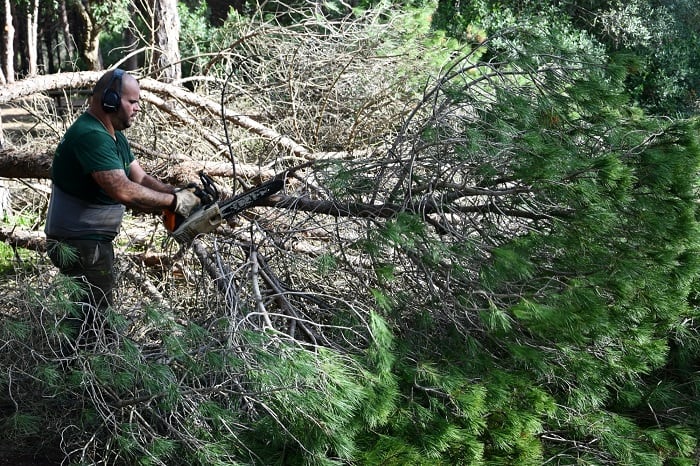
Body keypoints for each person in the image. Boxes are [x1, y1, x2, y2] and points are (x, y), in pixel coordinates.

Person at [44, 68, 200, 345]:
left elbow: (139, 177)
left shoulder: (113, 135)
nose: (138, 108)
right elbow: (123, 190)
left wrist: (176, 192)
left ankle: (77, 363)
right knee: (95, 315)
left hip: (88, 240)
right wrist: (175, 202)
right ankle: (78, 371)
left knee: (89, 310)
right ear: (110, 100)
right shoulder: (90, 135)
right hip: (79, 242)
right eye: (133, 101)